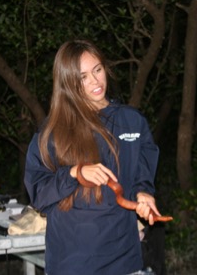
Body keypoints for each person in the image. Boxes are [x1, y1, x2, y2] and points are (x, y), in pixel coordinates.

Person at [24, 39, 163, 275]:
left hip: (124, 258)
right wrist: (74, 173)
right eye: (83, 77)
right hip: (73, 261)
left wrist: (143, 194)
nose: (96, 81)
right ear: (68, 84)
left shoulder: (132, 121)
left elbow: (143, 174)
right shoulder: (54, 130)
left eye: (97, 70)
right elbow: (39, 193)